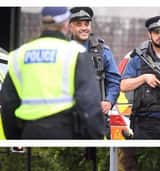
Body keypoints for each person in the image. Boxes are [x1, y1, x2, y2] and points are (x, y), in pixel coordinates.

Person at [0, 7, 105, 139]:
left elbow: (8, 104)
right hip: (64, 132)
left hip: (29, 131)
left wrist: (15, 139)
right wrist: (95, 139)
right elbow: (89, 105)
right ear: (67, 24)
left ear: (42, 24)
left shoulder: (19, 55)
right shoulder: (75, 53)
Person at [120, 16, 160, 139]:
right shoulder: (138, 58)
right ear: (149, 34)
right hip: (143, 122)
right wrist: (143, 78)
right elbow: (123, 85)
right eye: (156, 32)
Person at [68, 7, 121, 125]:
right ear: (70, 26)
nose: (83, 28)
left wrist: (109, 101)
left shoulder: (103, 52)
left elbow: (114, 81)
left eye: (86, 24)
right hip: (69, 118)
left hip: (96, 117)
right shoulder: (62, 50)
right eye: (78, 24)